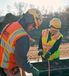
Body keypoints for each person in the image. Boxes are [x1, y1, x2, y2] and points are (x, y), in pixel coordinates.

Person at [0, 8, 42, 76]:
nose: (33, 28)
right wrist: (31, 69)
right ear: (29, 20)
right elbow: (21, 61)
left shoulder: (10, 25)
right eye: (34, 25)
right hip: (9, 69)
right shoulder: (22, 36)